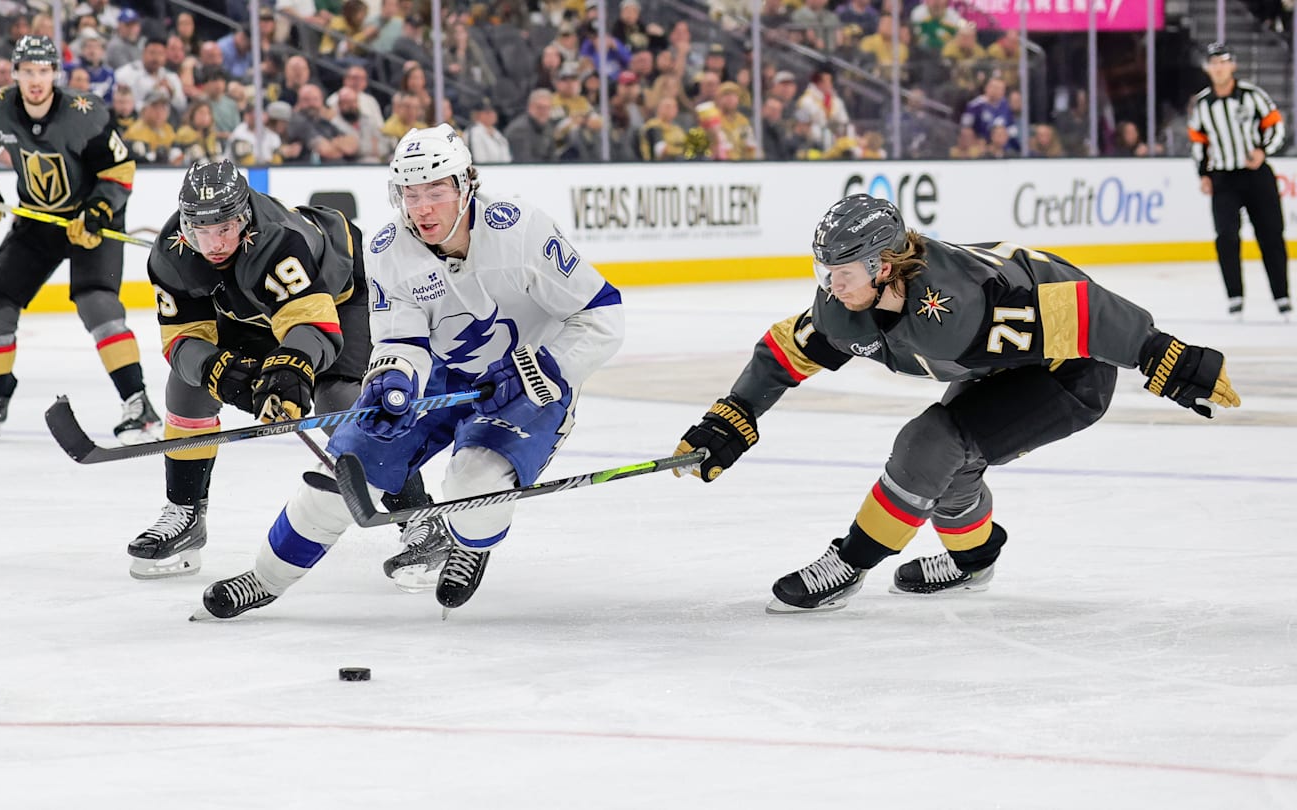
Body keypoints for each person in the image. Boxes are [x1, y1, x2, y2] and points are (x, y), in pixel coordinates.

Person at [673, 193, 1241, 613]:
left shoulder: (967, 306)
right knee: (953, 467)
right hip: (1003, 362)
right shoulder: (847, 306)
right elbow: (785, 352)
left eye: (841, 274)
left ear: (882, 267)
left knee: (931, 444)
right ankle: (975, 559)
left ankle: (849, 562)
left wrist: (1163, 354)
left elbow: (1082, 311)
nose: (830, 287)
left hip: (1069, 372)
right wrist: (733, 416)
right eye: (824, 272)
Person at [194, 124, 625, 620]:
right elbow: (400, 340)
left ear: (466, 184)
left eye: (435, 191)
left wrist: (540, 369)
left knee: (473, 482)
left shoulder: (521, 230)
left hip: (528, 382)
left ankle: (469, 544)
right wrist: (392, 378)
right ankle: (266, 578)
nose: (422, 208)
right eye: (410, 193)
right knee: (343, 471)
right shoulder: (387, 249)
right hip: (442, 373)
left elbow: (602, 315)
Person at [137, 160, 449, 584]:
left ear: (244, 217)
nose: (215, 244)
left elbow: (312, 325)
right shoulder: (171, 254)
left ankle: (419, 516)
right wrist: (221, 373)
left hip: (340, 296)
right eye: (202, 231)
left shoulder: (278, 239)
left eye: (225, 228)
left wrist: (288, 373)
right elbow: (182, 339)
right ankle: (185, 513)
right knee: (189, 385)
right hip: (256, 310)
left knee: (340, 401)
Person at [0, 35, 160, 442]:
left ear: (55, 74)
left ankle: (139, 405)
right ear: (15, 73)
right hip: (39, 219)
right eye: (28, 71)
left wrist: (98, 211)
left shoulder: (84, 113)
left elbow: (119, 170)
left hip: (91, 220)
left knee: (98, 305)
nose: (36, 80)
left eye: (44, 71)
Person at [1188, 42, 1291, 321]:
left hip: (1256, 175)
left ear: (1232, 65)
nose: (1219, 68)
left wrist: (1263, 151)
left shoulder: (1252, 95)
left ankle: (1282, 297)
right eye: (1214, 63)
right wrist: (1203, 174)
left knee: (1271, 235)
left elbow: (1276, 125)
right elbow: (1198, 142)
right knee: (1226, 236)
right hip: (1223, 179)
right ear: (1207, 68)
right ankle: (1235, 297)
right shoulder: (1203, 104)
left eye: (1223, 62)